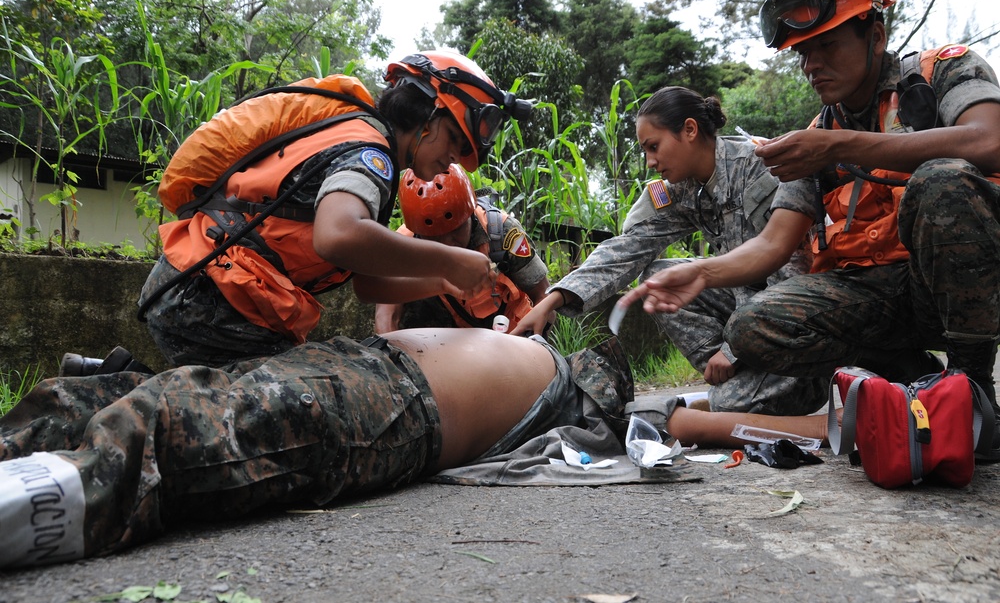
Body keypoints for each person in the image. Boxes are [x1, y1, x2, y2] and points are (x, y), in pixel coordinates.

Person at [0, 327, 833, 569]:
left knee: (169, 426)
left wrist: (822, 428)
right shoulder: (550, 361)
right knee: (85, 397)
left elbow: (686, 423)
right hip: (359, 366)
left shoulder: (593, 402)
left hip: (393, 409)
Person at [619, 0, 1000, 439]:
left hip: (972, 286)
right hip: (881, 298)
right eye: (802, 52)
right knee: (750, 325)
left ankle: (973, 392)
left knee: (942, 181)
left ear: (876, 37)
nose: (811, 65)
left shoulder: (942, 71)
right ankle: (901, 371)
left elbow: (990, 141)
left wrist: (840, 146)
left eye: (827, 46)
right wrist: (699, 272)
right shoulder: (817, 135)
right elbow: (773, 245)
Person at [124, 50, 532, 369]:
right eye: (456, 142)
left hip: (208, 291)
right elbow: (337, 235)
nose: (455, 159)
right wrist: (451, 261)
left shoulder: (361, 141)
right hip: (214, 300)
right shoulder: (371, 155)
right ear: (429, 116)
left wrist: (444, 282)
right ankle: (101, 396)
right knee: (299, 415)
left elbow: (367, 286)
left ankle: (114, 375)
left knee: (233, 404)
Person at [512, 85, 818, 414]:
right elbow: (627, 249)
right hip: (749, 318)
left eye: (653, 147)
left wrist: (731, 351)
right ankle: (740, 383)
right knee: (659, 277)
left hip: (799, 328)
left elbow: (791, 274)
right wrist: (554, 299)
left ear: (689, 129)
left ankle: (767, 385)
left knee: (720, 408)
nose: (649, 162)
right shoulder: (684, 189)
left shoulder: (759, 167)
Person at [373, 164, 549, 333]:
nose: (447, 244)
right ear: (417, 230)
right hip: (446, 344)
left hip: (511, 339)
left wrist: (535, 341)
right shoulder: (403, 246)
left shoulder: (502, 232)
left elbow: (543, 296)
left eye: (456, 230)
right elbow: (386, 317)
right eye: (434, 237)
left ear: (470, 213)